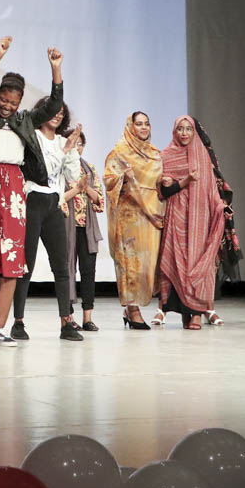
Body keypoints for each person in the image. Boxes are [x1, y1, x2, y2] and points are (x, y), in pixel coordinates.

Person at [0, 36, 64, 347]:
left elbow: (54, 105)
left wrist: (56, 69)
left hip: (14, 187)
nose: (7, 106)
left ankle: (0, 327)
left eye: (13, 102)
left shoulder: (25, 120)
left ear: (20, 103)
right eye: (4, 100)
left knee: (12, 261)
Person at [9, 100, 83, 342]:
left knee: (62, 266)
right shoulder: (34, 138)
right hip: (33, 201)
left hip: (54, 204)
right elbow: (43, 171)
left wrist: (71, 149)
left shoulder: (62, 142)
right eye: (54, 111)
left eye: (62, 113)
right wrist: (64, 151)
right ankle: (18, 322)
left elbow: (73, 176)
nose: (57, 116)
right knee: (26, 265)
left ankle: (66, 322)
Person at [157, 116, 240, 329]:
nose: (184, 133)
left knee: (197, 261)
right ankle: (186, 314)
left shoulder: (203, 156)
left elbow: (211, 189)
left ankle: (196, 313)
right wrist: (174, 182)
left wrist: (220, 207)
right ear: (174, 131)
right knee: (178, 261)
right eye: (180, 129)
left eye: (188, 129)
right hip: (176, 215)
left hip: (200, 217)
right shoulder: (166, 155)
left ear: (195, 132)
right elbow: (163, 191)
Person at [104, 112, 170, 330]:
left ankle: (132, 309)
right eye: (139, 124)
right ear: (130, 127)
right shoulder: (119, 153)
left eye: (147, 124)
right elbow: (109, 180)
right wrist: (124, 177)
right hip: (130, 218)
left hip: (153, 216)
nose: (143, 128)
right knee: (130, 265)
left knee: (148, 268)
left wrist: (165, 181)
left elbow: (160, 182)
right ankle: (132, 309)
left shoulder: (155, 154)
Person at [63, 130, 106, 331]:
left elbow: (99, 201)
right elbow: (57, 198)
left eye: (80, 144)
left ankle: (88, 318)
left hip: (86, 228)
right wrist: (76, 189)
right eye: (74, 143)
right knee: (66, 271)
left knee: (88, 272)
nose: (77, 147)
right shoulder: (60, 167)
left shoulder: (89, 169)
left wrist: (85, 187)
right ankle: (68, 317)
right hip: (65, 227)